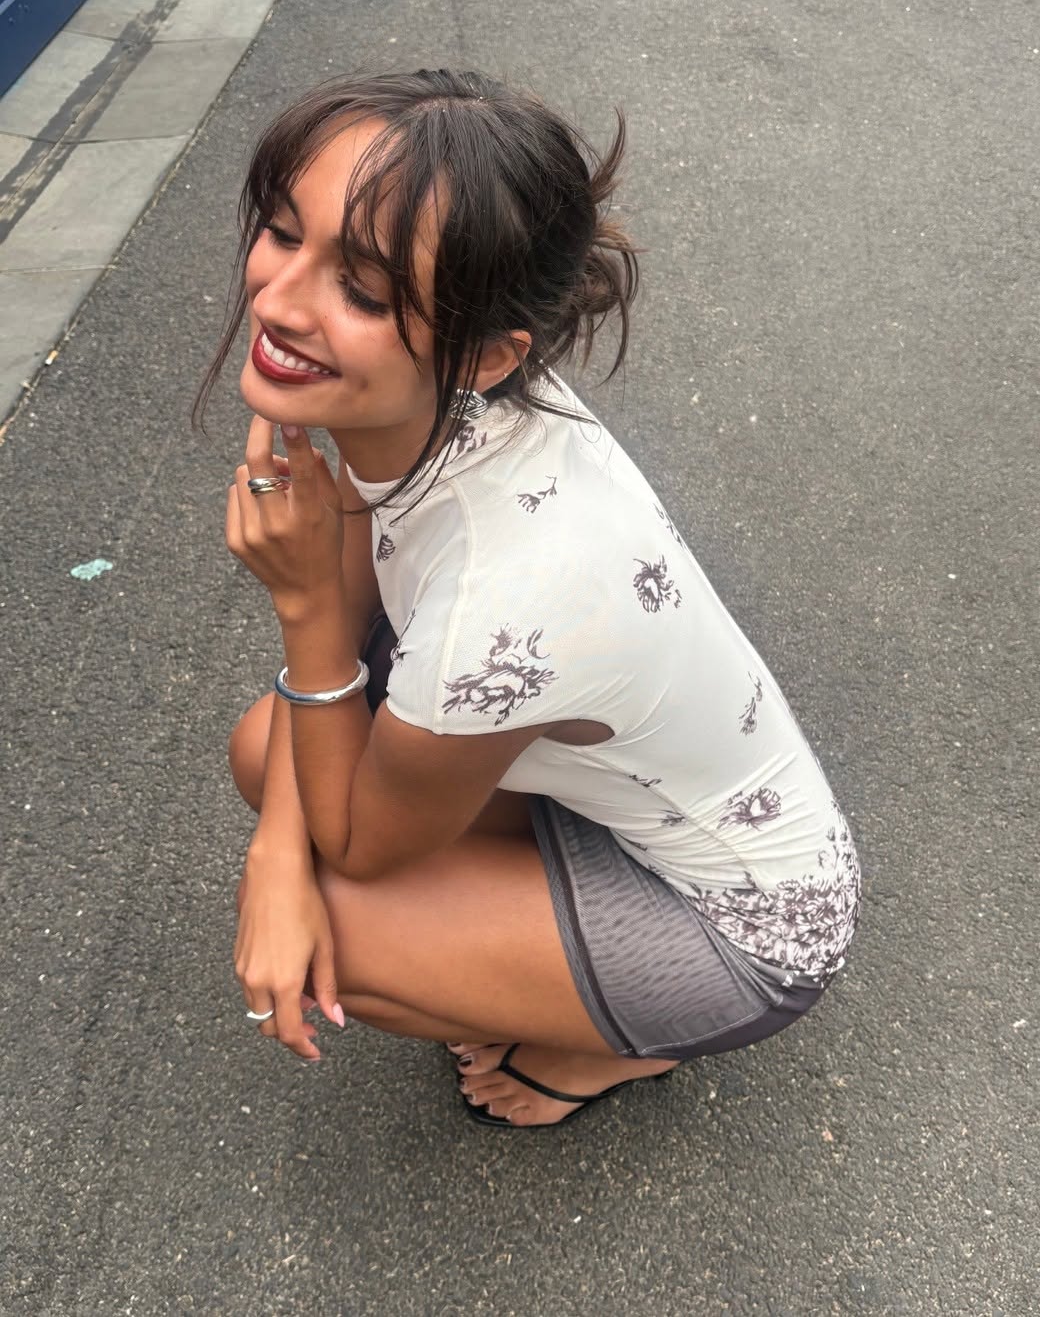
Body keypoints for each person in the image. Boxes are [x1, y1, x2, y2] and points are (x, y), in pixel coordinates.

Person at [205, 67, 861, 1129]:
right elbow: (365, 615)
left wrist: (303, 605)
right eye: (284, 233)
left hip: (746, 930)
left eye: (361, 293)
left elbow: (358, 814)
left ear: (485, 353)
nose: (277, 302)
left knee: (336, 925)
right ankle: (544, 960)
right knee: (267, 755)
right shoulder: (457, 396)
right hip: (625, 798)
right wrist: (275, 849)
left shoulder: (506, 603)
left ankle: (616, 1047)